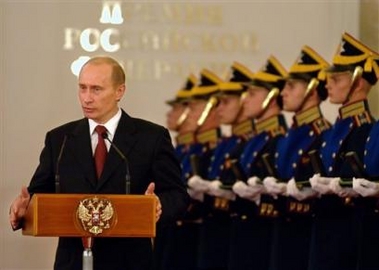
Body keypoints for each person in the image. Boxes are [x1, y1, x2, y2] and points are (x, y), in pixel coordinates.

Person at [9, 56, 189, 270]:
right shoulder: (60, 139)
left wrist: (159, 206)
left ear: (119, 91)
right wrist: (22, 210)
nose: (86, 98)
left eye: (96, 89)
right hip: (73, 262)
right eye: (82, 88)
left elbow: (177, 196)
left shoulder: (151, 138)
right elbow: (39, 194)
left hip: (130, 262)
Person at [308, 32, 377, 270]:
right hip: (326, 233)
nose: (328, 84)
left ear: (358, 82)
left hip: (351, 235)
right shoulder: (331, 132)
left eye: (337, 79)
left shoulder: (366, 130)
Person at [266, 46, 330, 270]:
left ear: (312, 90)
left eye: (291, 86)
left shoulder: (323, 133)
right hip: (283, 231)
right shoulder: (289, 134)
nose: (283, 92)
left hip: (307, 232)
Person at [188, 62, 254, 270]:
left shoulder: (245, 142)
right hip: (216, 230)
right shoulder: (226, 144)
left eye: (225, 102)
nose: (219, 109)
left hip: (237, 231)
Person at [230, 55, 288, 270]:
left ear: (272, 98)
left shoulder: (278, 137)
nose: (244, 100)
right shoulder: (254, 139)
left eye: (252, 94)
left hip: (266, 230)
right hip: (246, 229)